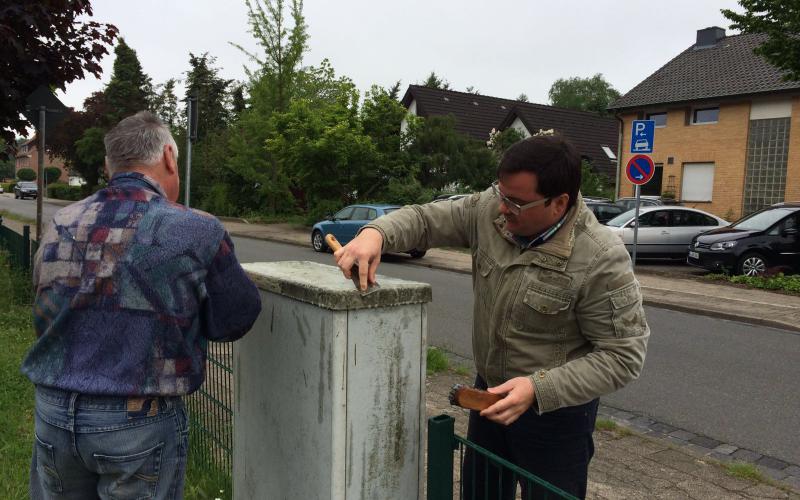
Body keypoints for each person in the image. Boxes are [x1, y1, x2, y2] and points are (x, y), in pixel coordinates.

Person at [333, 134, 649, 499]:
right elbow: (425, 219)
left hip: (555, 416)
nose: (502, 208)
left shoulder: (601, 258)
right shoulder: (491, 209)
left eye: (516, 202)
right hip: (488, 399)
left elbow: (623, 356)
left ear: (559, 203)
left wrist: (537, 388)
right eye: (501, 193)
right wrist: (376, 233)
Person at [21, 111, 262, 499]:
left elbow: (44, 305)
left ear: (108, 166)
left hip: (53, 411)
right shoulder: (197, 228)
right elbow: (236, 318)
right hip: (138, 421)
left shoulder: (61, 222)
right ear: (168, 156)